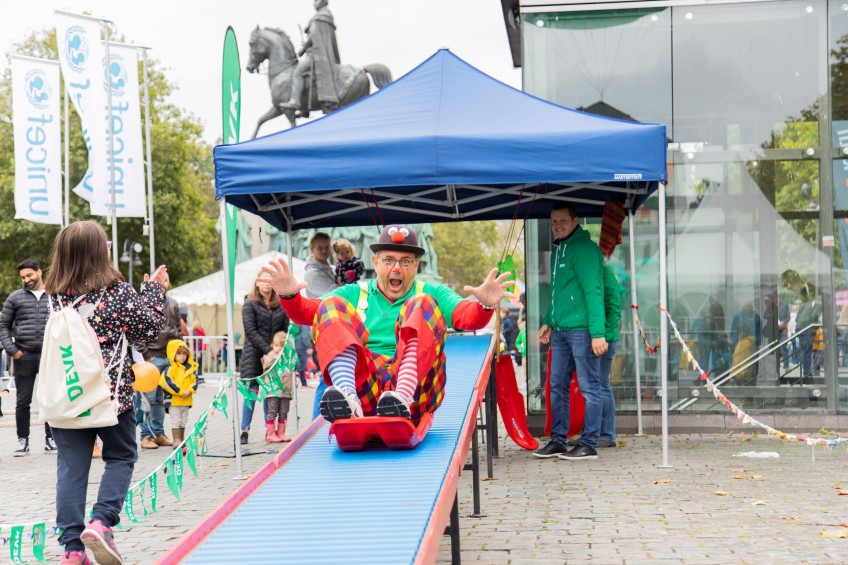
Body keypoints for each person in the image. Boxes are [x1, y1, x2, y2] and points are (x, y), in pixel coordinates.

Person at [263, 224, 514, 424]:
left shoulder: (429, 292)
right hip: (367, 389)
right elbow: (310, 313)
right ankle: (347, 397)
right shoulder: (354, 293)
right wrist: (288, 296)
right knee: (331, 306)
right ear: (376, 263)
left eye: (406, 262)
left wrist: (485, 305)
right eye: (389, 260)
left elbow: (465, 315)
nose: (397, 268)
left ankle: (401, 396)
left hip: (418, 392)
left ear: (416, 265)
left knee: (422, 303)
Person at [43, 220, 166, 565]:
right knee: (121, 456)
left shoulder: (52, 297)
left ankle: (72, 550)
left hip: (68, 397)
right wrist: (154, 291)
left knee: (70, 469)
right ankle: (102, 521)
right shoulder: (117, 292)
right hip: (112, 397)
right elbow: (149, 329)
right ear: (99, 252)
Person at [535, 204, 607, 461]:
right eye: (554, 221)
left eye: (563, 220)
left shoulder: (585, 250)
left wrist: (598, 333)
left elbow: (593, 292)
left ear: (576, 221)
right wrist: (548, 320)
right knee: (556, 386)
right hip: (562, 331)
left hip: (583, 331)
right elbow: (557, 291)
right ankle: (558, 440)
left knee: (589, 388)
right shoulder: (558, 250)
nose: (557, 225)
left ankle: (589, 444)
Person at [0, 258, 55, 455]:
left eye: (29, 275)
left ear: (39, 272)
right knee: (23, 401)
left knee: (50, 398)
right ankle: (23, 440)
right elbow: (3, 326)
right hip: (24, 355)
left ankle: (51, 438)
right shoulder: (15, 298)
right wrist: (11, 349)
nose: (26, 279)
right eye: (23, 277)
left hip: (51, 355)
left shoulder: (54, 295)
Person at [240, 271, 290, 445]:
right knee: (252, 393)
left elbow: (285, 329)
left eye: (270, 279)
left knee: (271, 393)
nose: (267, 283)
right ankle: (244, 429)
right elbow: (250, 331)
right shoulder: (249, 303)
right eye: (263, 279)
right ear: (257, 283)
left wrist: (279, 349)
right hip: (253, 354)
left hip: (274, 356)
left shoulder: (281, 305)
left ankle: (270, 430)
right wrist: (268, 349)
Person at [136, 271, 181, 450]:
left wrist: (180, 356)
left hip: (168, 358)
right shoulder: (145, 302)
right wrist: (146, 356)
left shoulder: (173, 303)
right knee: (146, 399)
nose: (163, 283)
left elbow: (178, 331)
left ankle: (159, 433)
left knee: (160, 400)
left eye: (166, 280)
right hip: (151, 358)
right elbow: (139, 332)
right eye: (160, 280)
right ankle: (146, 435)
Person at [281, 0, 341, 113]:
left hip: (317, 55)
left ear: (322, 2)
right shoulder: (327, 17)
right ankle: (305, 109)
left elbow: (314, 35)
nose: (314, 3)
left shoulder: (318, 18)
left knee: (297, 73)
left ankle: (295, 101)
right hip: (324, 54)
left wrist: (303, 49)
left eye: (316, 0)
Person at [302, 232, 338, 418]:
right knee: (326, 377)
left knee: (334, 378)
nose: (324, 251)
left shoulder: (331, 268)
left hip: (337, 328)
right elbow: (335, 295)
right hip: (323, 331)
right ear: (312, 249)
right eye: (320, 248)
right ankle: (314, 423)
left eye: (327, 247)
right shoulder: (312, 274)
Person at [157, 340, 199, 449]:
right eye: (179, 353)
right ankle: (176, 440)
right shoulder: (170, 369)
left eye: (185, 353)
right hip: (174, 401)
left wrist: (190, 390)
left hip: (186, 400)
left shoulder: (191, 368)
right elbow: (166, 382)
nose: (182, 356)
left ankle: (181, 438)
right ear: (173, 354)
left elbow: (195, 381)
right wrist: (181, 392)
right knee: (176, 420)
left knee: (183, 420)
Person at [260, 331, 293, 443]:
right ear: (272, 345)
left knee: (284, 412)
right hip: (273, 390)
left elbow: (292, 368)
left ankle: (281, 433)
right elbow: (266, 366)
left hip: (285, 391)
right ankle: (270, 434)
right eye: (276, 345)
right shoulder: (269, 357)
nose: (278, 348)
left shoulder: (288, 358)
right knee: (272, 411)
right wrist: (276, 358)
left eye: (282, 346)